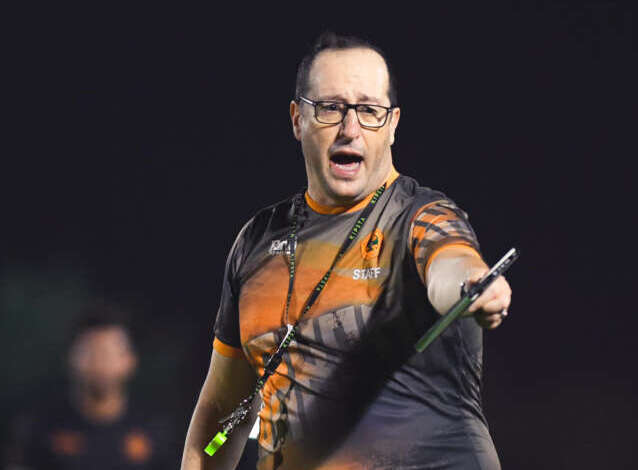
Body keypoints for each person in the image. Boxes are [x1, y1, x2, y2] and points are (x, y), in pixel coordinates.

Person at [181, 32, 513, 470]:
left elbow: (450, 262)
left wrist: (471, 284)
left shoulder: (419, 215)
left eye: (369, 110)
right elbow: (224, 407)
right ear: (298, 119)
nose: (350, 129)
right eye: (331, 108)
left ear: (392, 125)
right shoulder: (257, 240)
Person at [5, 301, 174, 469]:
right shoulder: (39, 428)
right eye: (91, 353)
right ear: (71, 358)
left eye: (108, 353)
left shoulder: (155, 431)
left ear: (129, 360)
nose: (100, 364)